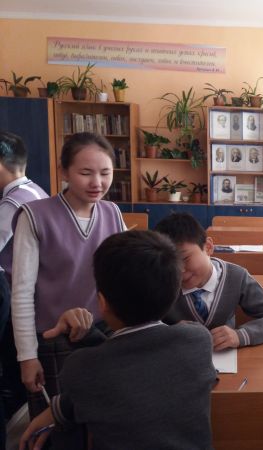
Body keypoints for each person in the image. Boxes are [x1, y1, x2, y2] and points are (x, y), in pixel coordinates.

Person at [19, 230, 216, 450]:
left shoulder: (80, 367)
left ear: (102, 302)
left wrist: (57, 409)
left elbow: (116, 372)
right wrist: (89, 334)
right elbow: (133, 369)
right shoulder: (197, 340)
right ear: (174, 290)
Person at [10, 132, 126, 444]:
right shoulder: (36, 215)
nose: (97, 183)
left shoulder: (112, 213)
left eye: (105, 173)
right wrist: (27, 357)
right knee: (56, 430)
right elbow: (21, 293)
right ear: (63, 171)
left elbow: (125, 275)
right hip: (53, 340)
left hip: (101, 334)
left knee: (102, 421)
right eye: (85, 173)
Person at [155, 213, 263, 349]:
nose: (180, 270)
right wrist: (168, 332)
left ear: (208, 247)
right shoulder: (159, 282)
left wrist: (240, 335)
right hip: (176, 356)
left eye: (185, 259)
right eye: (170, 263)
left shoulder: (237, 277)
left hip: (226, 358)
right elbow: (142, 326)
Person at [0, 131, 48, 448]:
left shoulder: (13, 202)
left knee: (12, 372)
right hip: (32, 297)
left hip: (16, 298)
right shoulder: (35, 190)